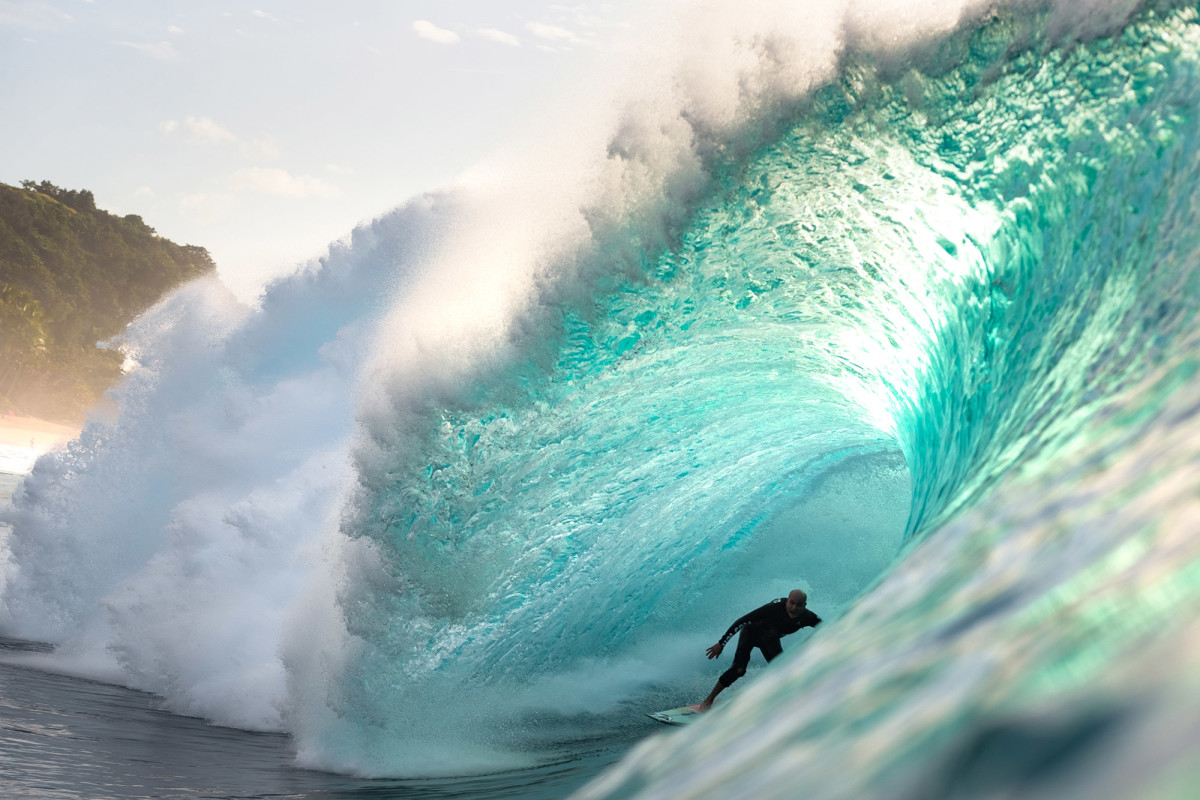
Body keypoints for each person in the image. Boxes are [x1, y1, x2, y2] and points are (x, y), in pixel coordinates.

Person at [690, 589, 820, 712]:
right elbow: (742, 621)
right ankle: (708, 700)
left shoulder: (808, 617)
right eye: (791, 603)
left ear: (804, 605)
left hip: (770, 639)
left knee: (783, 670)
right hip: (751, 632)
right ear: (787, 601)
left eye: (799, 605)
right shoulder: (774, 608)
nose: (794, 608)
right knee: (738, 670)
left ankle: (786, 703)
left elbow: (828, 628)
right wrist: (721, 643)